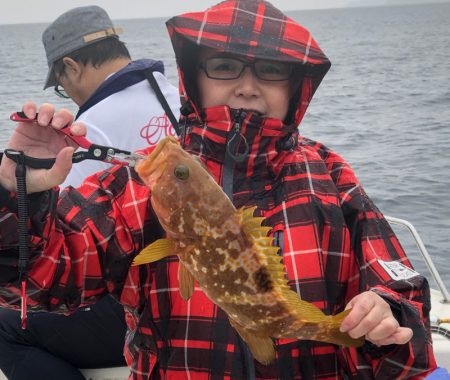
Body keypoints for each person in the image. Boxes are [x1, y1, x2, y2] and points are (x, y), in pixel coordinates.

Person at [0, 1, 437, 379]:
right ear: (194, 77)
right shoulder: (135, 185)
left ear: (295, 86)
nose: (247, 85)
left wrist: (389, 314)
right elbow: (40, 282)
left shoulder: (329, 174)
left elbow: (400, 292)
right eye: (225, 66)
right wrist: (19, 192)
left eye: (271, 70)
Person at [0, 5, 180, 380]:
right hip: (196, 287)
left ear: (72, 65)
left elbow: (58, 249)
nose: (67, 92)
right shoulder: (180, 98)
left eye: (61, 83)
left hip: (140, 306)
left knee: (4, 326)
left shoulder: (91, 126)